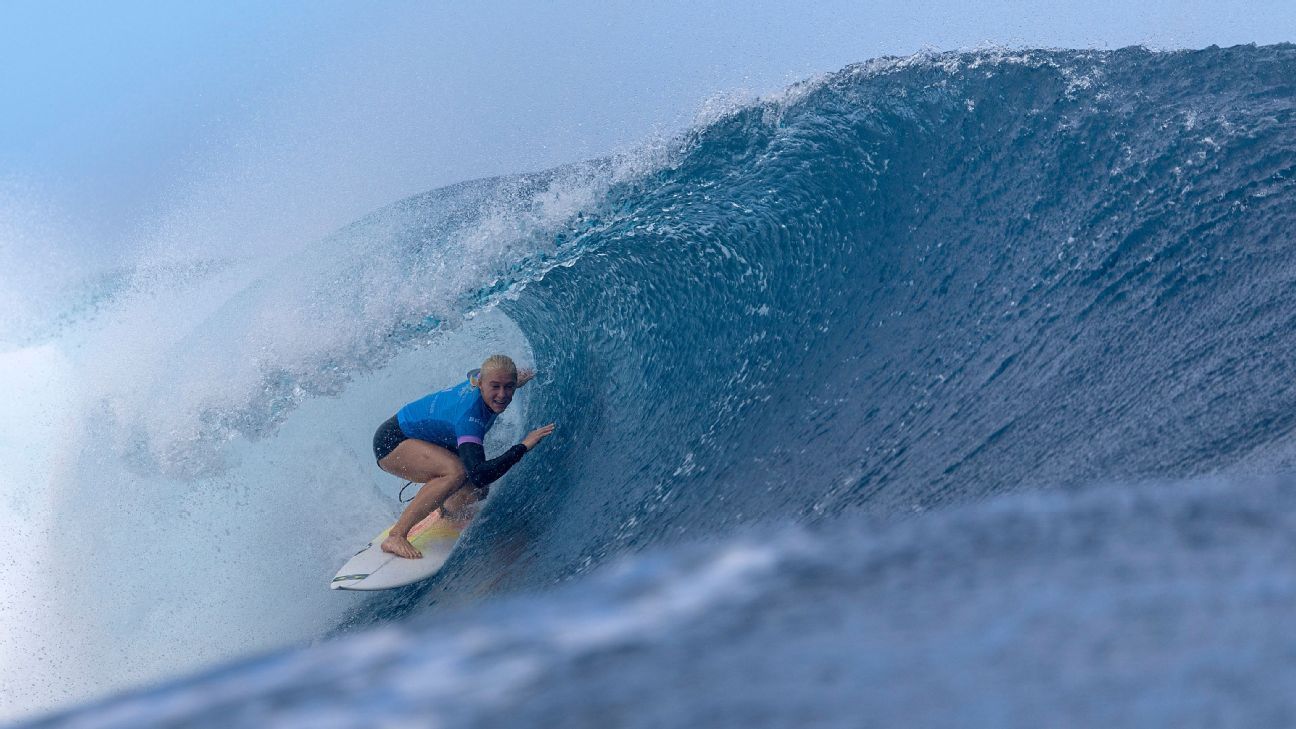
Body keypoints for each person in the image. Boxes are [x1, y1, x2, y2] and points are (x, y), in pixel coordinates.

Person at [371, 354, 555, 559]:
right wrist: (523, 446)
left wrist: (516, 380)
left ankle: (444, 507)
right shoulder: (470, 418)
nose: (502, 395)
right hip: (392, 441)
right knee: (455, 472)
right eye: (495, 387)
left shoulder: (483, 379)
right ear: (481, 385)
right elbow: (479, 474)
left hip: (430, 439)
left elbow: (498, 379)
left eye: (509, 387)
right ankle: (396, 536)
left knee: (477, 492)